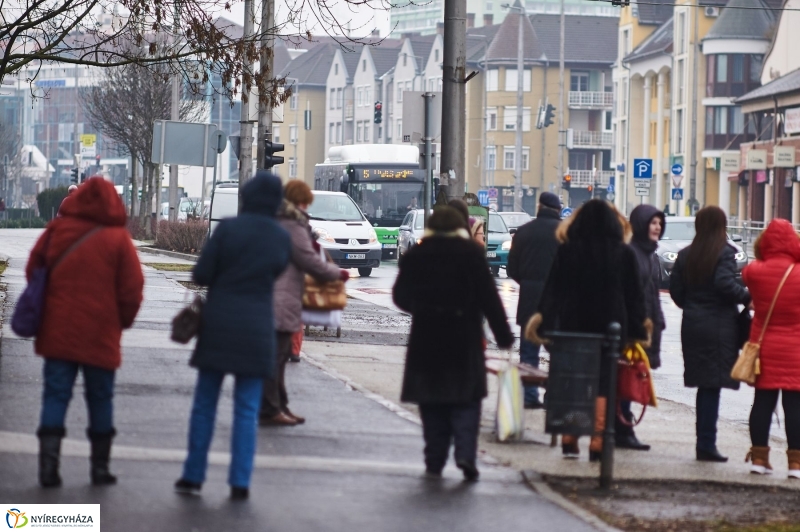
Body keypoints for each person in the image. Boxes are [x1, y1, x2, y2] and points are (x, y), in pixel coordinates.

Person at [175, 172, 290, 500]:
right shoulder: (279, 238)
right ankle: (240, 481)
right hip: (257, 329)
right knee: (246, 408)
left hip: (219, 325)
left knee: (205, 404)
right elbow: (278, 271)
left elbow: (201, 273)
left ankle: (193, 475)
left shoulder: (228, 228)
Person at [28, 177, 144, 488]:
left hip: (57, 331)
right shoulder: (118, 239)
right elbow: (133, 289)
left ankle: (48, 469)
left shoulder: (57, 232)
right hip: (101, 335)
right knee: (100, 398)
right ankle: (100, 469)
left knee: (55, 395)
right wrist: (122, 320)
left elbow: (33, 271)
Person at [393, 206, 514, 481]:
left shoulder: (417, 254)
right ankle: (465, 454)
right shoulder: (471, 254)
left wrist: (421, 308)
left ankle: (434, 460)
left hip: (427, 339)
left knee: (432, 402)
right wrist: (504, 336)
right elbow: (489, 299)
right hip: (464, 338)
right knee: (466, 401)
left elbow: (399, 295)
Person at [525, 200, 649, 461]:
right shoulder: (623, 253)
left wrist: (543, 322)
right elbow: (634, 297)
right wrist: (638, 329)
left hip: (574, 325)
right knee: (604, 383)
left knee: (575, 380)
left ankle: (570, 437)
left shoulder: (568, 250)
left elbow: (553, 290)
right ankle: (598, 439)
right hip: (611, 328)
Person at [260, 181, 347, 426]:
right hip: (283, 299)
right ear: (301, 201)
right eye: (306, 200)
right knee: (276, 358)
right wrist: (336, 273)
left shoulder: (279, 220)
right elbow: (308, 259)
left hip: (276, 296)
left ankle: (280, 406)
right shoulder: (292, 224)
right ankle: (271, 409)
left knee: (278, 358)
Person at [669, 206, 751, 463]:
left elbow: (676, 291)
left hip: (693, 324)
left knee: (705, 386)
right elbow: (725, 283)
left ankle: (704, 442)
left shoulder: (685, 255)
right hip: (719, 326)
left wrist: (693, 306)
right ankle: (706, 444)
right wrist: (747, 297)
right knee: (711, 386)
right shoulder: (724, 253)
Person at [741, 219, 800, 477]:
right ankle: (796, 464)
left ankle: (759, 458)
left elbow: (747, 278)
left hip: (763, 348)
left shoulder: (754, 271)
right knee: (795, 407)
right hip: (795, 349)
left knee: (762, 403)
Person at [507, 192, 561, 410]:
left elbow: (512, 269)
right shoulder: (565, 233)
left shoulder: (523, 232)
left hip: (529, 298)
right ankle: (553, 396)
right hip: (557, 302)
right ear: (558, 209)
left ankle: (529, 396)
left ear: (539, 207)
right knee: (558, 352)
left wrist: (528, 281)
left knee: (529, 352)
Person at [619, 204, 666, 451]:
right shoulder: (633, 253)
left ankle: (623, 427)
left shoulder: (649, 254)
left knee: (632, 375)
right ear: (640, 224)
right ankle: (622, 429)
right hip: (633, 327)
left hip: (645, 324)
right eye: (652, 222)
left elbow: (652, 293)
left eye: (659, 223)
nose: (657, 227)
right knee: (628, 376)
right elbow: (631, 293)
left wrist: (659, 319)